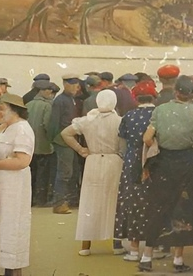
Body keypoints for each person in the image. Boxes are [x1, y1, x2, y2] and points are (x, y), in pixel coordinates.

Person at [138, 75, 193, 273]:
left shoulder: (160, 110)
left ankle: (146, 257)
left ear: (175, 91)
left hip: (164, 163)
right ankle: (178, 260)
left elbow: (147, 137)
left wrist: (157, 147)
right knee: (182, 209)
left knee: (158, 208)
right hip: (187, 164)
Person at [61, 89, 124, 256]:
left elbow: (65, 133)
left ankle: (85, 245)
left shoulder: (87, 120)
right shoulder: (120, 121)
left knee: (90, 201)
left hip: (93, 161)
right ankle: (117, 244)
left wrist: (81, 149)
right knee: (114, 201)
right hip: (114, 162)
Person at [0, 93, 35, 275]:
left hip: (13, 186)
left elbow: (22, 161)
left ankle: (13, 270)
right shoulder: (4, 128)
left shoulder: (22, 129)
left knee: (11, 227)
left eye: (1, 109)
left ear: (15, 111)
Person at [115, 80, 157, 265]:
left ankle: (133, 249)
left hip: (132, 161)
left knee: (133, 202)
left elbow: (122, 142)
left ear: (135, 98)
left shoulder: (128, 116)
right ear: (154, 96)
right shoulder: (158, 114)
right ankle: (153, 247)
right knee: (153, 203)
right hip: (153, 160)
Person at [48, 74, 84, 214]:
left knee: (72, 172)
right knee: (64, 173)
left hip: (71, 140)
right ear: (65, 84)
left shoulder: (71, 99)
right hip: (62, 141)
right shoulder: (60, 101)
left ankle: (69, 200)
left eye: (77, 83)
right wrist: (54, 140)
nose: (76, 86)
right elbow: (53, 123)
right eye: (73, 83)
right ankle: (59, 203)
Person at [26, 80, 57, 207]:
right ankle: (41, 199)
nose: (50, 92)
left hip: (30, 146)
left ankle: (30, 198)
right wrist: (51, 141)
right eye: (48, 90)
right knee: (43, 175)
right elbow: (46, 125)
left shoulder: (28, 104)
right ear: (42, 91)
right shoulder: (47, 106)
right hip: (44, 146)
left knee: (31, 174)